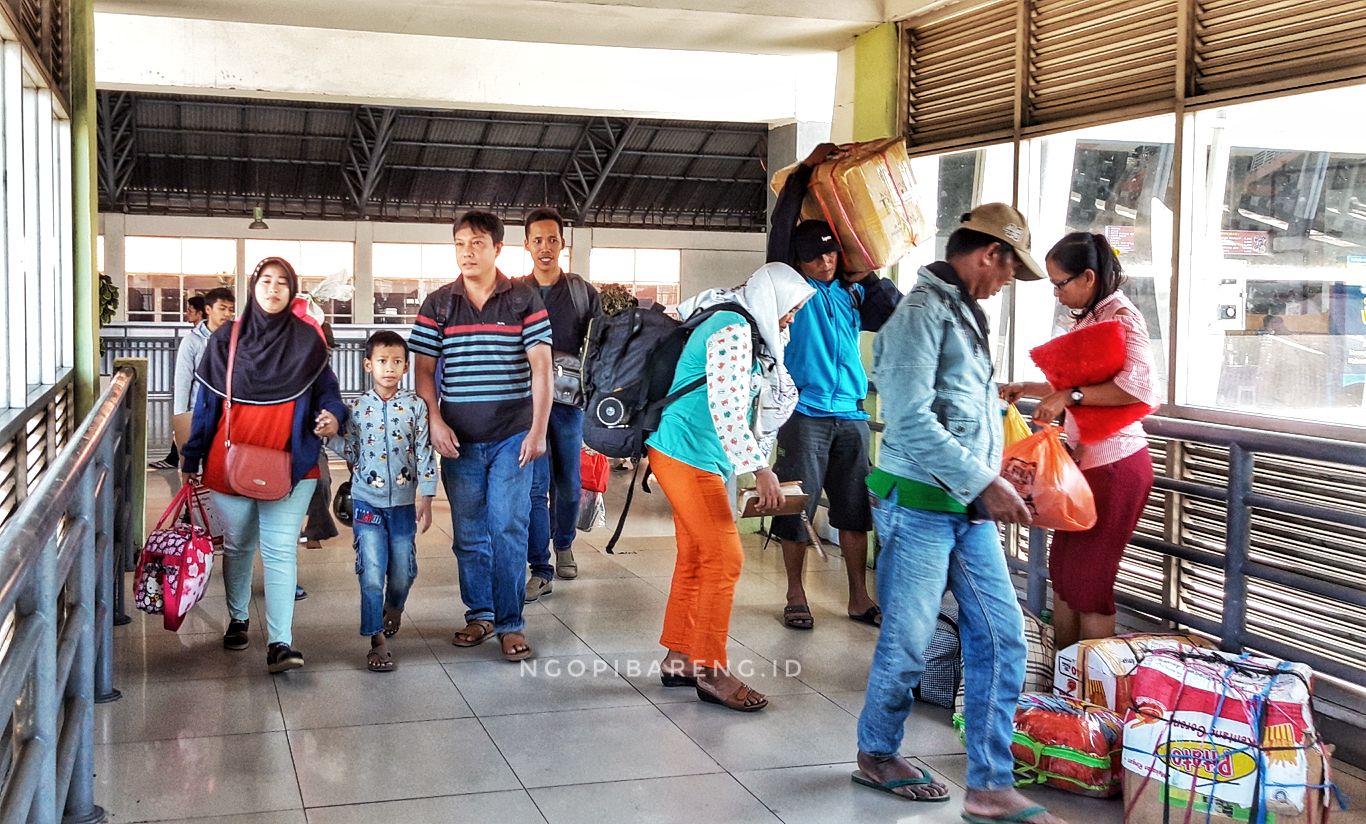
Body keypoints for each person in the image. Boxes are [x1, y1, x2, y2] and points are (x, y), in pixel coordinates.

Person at [853, 204, 1069, 824]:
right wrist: (985, 481)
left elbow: (961, 413)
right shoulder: (919, 316)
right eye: (1008, 270)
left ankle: (989, 785)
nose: (1007, 284)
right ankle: (876, 753)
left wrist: (995, 473)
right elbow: (912, 420)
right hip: (919, 506)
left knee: (1002, 637)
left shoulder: (961, 315)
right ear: (988, 255)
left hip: (964, 508)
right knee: (910, 642)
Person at [647, 262, 815, 712]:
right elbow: (725, 409)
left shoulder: (747, 331)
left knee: (699, 556)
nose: (789, 320)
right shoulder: (732, 328)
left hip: (696, 455)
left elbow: (745, 408)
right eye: (790, 311)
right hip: (685, 453)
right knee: (725, 557)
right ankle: (712, 670)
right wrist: (760, 469)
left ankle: (680, 657)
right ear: (771, 298)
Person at [181, 258, 347, 674]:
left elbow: (329, 391)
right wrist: (190, 456)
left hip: (293, 464)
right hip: (229, 462)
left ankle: (280, 643)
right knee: (238, 545)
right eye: (266, 281)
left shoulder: (308, 341)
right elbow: (206, 405)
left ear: (293, 291)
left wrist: (333, 415)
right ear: (253, 287)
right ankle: (238, 618)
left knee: (278, 551)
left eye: (283, 283)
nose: (273, 289)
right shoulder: (227, 340)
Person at [766, 142, 901, 630]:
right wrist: (804, 171)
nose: (824, 263)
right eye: (815, 257)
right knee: (794, 504)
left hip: (852, 414)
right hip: (804, 414)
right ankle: (795, 593)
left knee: (854, 510)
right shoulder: (786, 285)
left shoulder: (852, 290)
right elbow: (782, 231)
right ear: (798, 261)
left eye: (830, 254)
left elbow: (894, 315)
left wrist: (872, 272)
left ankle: (858, 597)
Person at [1000, 232, 1158, 652]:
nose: (1056, 294)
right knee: (1064, 573)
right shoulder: (1091, 317)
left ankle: (1090, 697)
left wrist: (1067, 396)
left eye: (1061, 283)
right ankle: (1063, 681)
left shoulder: (1122, 317)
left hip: (1116, 465)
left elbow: (1139, 387)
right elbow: (1083, 384)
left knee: (1090, 579)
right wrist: (1034, 386)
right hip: (1082, 468)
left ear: (1088, 277)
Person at [411, 210, 553, 663]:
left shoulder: (523, 299)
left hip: (514, 437)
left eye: (476, 243)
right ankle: (481, 614)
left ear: (497, 249)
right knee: (470, 534)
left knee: (508, 528)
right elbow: (424, 372)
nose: (467, 252)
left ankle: (511, 624)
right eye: (460, 244)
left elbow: (543, 368)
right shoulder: (438, 304)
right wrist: (434, 419)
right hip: (459, 441)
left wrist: (538, 430)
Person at [329, 330, 437, 672]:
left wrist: (428, 495)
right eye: (381, 361)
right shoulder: (357, 410)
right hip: (366, 503)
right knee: (372, 572)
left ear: (405, 367)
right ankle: (376, 640)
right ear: (367, 365)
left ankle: (394, 607)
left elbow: (424, 452)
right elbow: (350, 451)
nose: (389, 368)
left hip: (403, 505)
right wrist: (326, 434)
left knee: (402, 572)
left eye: (396, 362)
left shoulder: (415, 407)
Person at [517, 207, 600, 602]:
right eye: (538, 240)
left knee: (568, 483)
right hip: (526, 404)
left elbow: (598, 347)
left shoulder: (583, 292)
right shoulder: (515, 292)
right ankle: (539, 563)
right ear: (526, 245)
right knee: (535, 486)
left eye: (552, 239)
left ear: (562, 243)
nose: (545, 248)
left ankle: (563, 542)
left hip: (569, 406)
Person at [151, 294, 217, 470]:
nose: (187, 314)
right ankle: (176, 460)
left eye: (190, 311)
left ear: (202, 313)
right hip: (198, 403)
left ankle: (175, 459)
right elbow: (184, 379)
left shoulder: (215, 338)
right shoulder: (193, 340)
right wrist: (180, 412)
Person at [300, 322, 341, 551]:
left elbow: (332, 401)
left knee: (322, 480)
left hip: (312, 441)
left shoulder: (325, 374)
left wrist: (331, 416)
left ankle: (313, 531)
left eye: (327, 349)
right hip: (280, 444)